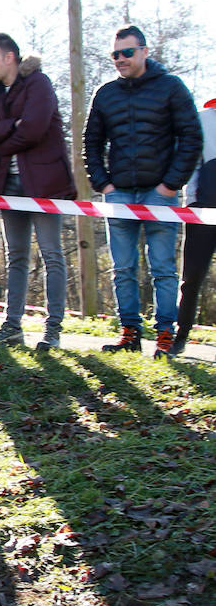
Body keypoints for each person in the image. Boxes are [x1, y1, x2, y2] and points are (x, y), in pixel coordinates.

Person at [85, 25, 202, 357]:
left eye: (127, 52)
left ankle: (165, 334)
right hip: (119, 194)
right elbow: (91, 142)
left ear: (144, 51)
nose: (120, 59)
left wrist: (170, 185)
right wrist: (103, 183)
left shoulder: (171, 88)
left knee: (163, 267)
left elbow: (191, 137)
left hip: (160, 194)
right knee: (122, 268)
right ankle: (130, 334)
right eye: (115, 54)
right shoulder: (105, 93)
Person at [0, 35, 76, 351]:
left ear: (9, 57)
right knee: (16, 256)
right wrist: (9, 127)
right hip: (10, 187)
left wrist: (1, 141)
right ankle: (12, 326)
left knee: (51, 254)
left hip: (46, 184)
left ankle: (52, 330)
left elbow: (34, 128)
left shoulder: (38, 84)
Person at [173, 98, 216, 356]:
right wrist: (192, 205)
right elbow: (191, 163)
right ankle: (181, 336)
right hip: (203, 210)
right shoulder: (202, 118)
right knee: (192, 278)